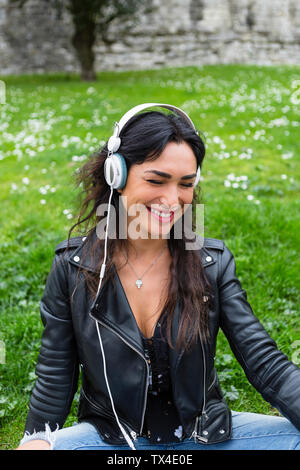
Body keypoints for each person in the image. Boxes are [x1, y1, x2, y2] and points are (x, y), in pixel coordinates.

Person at [17, 104, 300, 451]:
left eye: (185, 184)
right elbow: (55, 379)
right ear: (116, 176)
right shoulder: (74, 267)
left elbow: (265, 363)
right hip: (112, 440)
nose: (172, 199)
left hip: (203, 435)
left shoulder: (212, 263)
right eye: (156, 180)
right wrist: (36, 440)